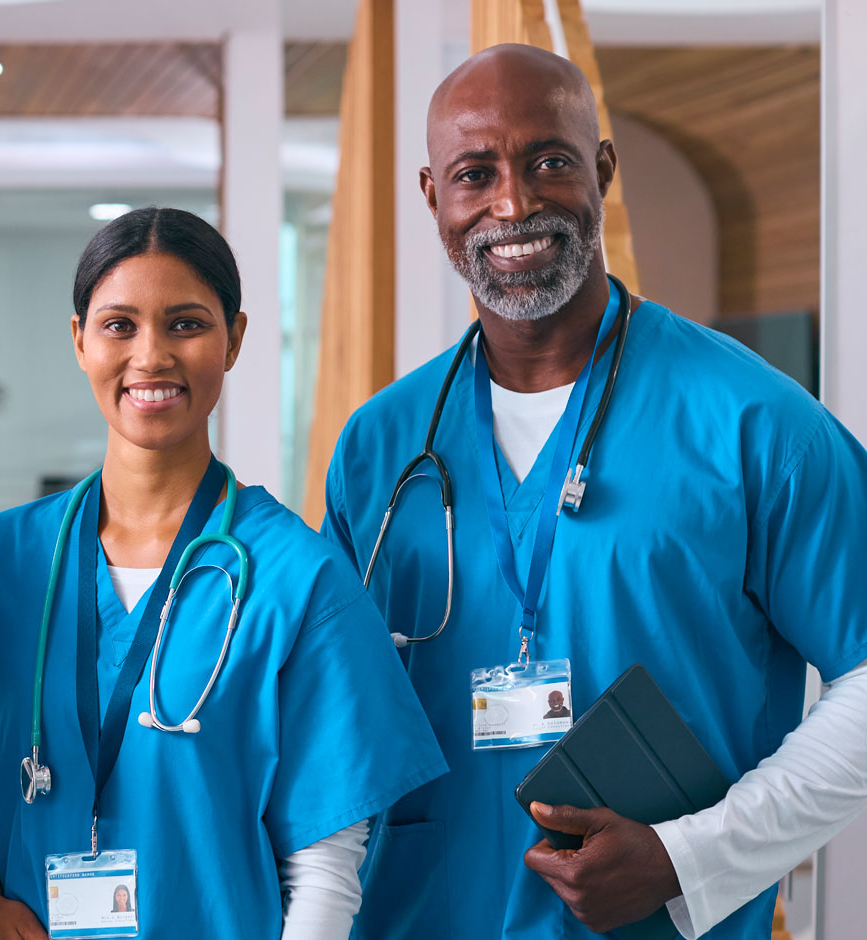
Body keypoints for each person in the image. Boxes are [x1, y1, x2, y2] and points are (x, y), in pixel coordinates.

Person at [322, 43, 867, 940]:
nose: (515, 203)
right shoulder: (380, 446)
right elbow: (330, 719)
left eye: (549, 161)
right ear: (432, 197)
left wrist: (692, 857)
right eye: (475, 173)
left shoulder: (756, 422)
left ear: (602, 170)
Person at [0, 207, 445, 940]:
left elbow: (328, 864)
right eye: (119, 325)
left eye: (185, 324)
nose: (151, 357)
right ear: (78, 340)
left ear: (234, 339)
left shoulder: (297, 579)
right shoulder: (0, 559)